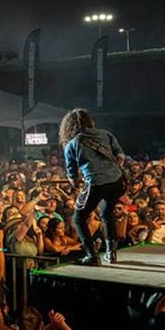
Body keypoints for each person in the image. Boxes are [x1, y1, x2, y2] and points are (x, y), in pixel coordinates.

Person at [60, 108, 126, 265]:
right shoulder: (105, 134)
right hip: (116, 181)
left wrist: (75, 181)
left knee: (78, 218)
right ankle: (111, 254)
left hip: (96, 183)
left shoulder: (72, 143)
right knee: (107, 213)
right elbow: (120, 156)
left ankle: (92, 255)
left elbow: (72, 174)